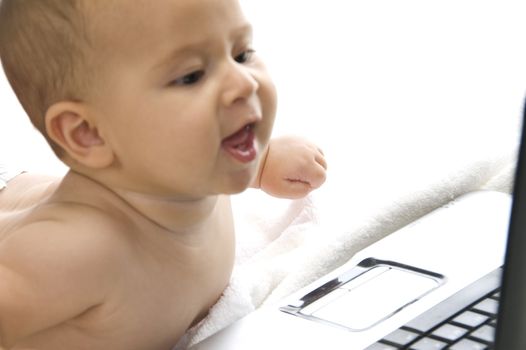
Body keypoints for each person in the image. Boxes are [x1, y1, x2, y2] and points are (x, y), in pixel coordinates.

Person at [0, 0, 327, 349]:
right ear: (88, 133)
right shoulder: (75, 254)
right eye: (191, 76)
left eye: (241, 53)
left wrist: (261, 163)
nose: (243, 83)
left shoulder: (188, 171)